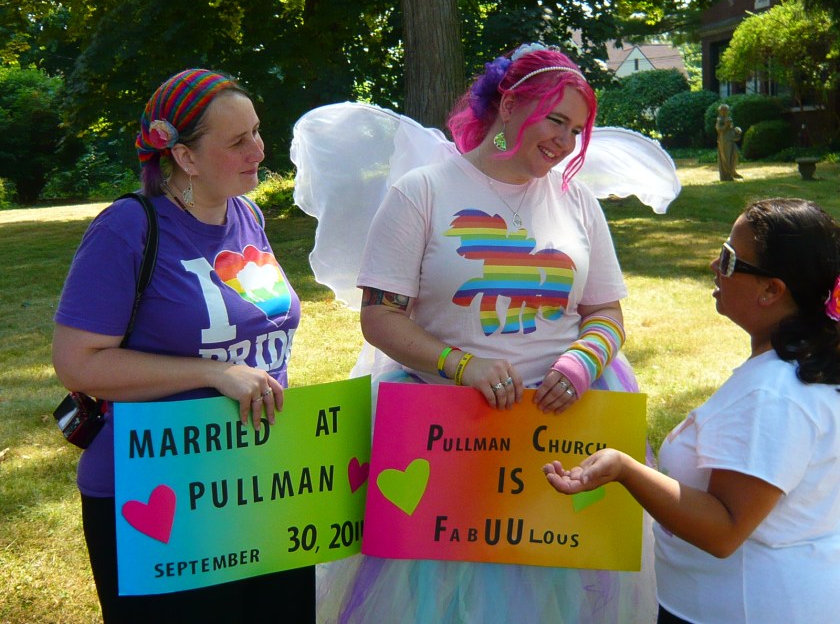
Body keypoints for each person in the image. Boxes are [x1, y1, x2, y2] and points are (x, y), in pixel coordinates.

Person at [316, 43, 658, 623]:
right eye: (555, 119)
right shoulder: (422, 191)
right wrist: (461, 365)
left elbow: (606, 312)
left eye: (576, 130)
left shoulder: (578, 202)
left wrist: (581, 362)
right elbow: (379, 315)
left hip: (560, 427)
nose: (564, 141)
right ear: (508, 104)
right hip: (445, 431)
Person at [52, 69, 313, 622]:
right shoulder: (127, 229)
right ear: (187, 158)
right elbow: (77, 363)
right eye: (237, 140)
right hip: (156, 492)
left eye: (257, 131)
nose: (259, 150)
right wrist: (212, 374)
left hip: (257, 478)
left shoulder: (248, 215)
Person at [544, 197, 840, 623]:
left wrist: (624, 470)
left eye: (729, 258)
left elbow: (724, 530)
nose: (713, 267)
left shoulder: (774, 395)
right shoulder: (801, 369)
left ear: (771, 290)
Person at [716, 103, 743, 181]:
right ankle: (727, 175)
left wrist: (737, 131)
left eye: (727, 110)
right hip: (724, 141)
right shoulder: (720, 119)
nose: (726, 112)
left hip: (730, 140)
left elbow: (730, 129)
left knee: (734, 156)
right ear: (721, 111)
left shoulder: (728, 118)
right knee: (726, 158)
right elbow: (719, 130)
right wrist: (726, 125)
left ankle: (732, 171)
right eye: (724, 110)